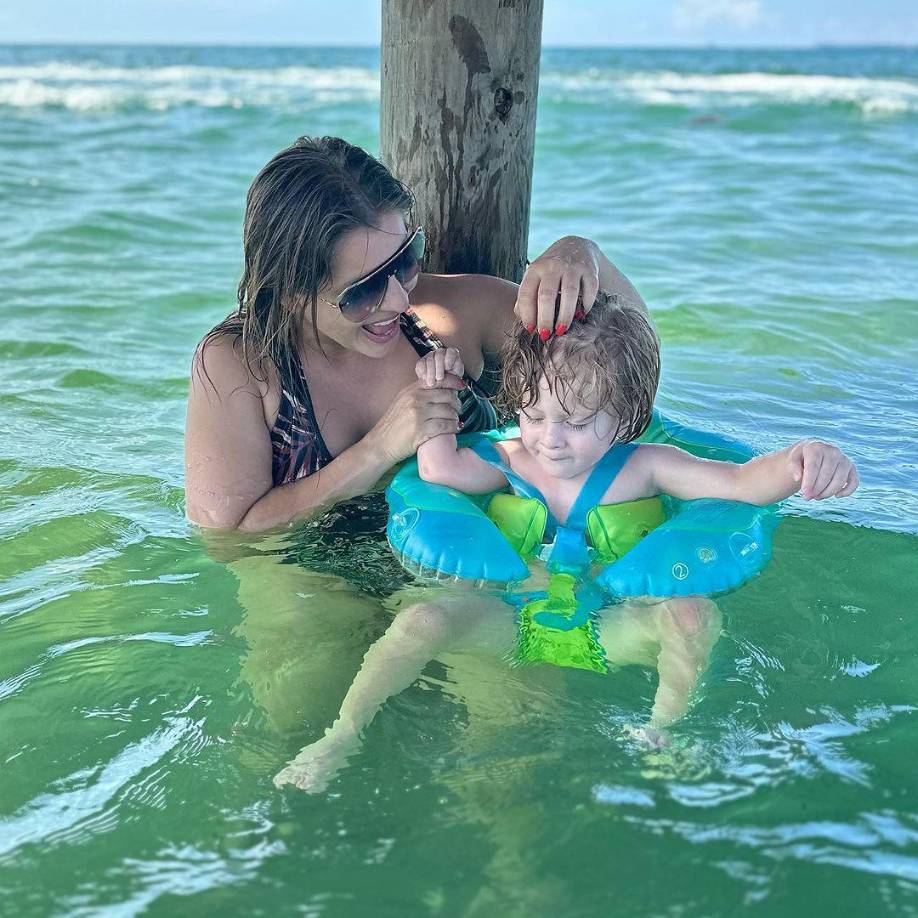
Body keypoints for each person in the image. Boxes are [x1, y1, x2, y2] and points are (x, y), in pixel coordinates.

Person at [274, 292, 859, 791]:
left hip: (612, 626)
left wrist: (803, 459)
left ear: (623, 416)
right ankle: (341, 736)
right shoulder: (508, 460)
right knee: (423, 619)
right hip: (510, 618)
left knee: (689, 613)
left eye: (577, 422)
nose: (551, 439)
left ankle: (663, 731)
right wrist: (437, 395)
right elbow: (440, 472)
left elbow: (740, 483)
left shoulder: (647, 467)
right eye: (534, 413)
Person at [184, 135, 644, 530]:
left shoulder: (450, 316)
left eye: (405, 259)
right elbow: (229, 535)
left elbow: (630, 377)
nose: (400, 301)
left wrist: (585, 255)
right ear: (291, 294)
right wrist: (378, 450)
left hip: (465, 555)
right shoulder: (244, 365)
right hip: (310, 570)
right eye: (361, 291)